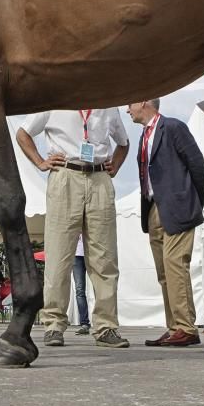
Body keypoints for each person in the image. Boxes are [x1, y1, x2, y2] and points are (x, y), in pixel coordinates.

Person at [16, 109, 131, 348]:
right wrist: (40, 162)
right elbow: (23, 133)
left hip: (99, 176)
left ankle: (106, 326)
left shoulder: (107, 104)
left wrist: (115, 166)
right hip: (65, 174)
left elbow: (124, 142)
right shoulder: (55, 100)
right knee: (58, 256)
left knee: (105, 258)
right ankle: (54, 325)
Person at [128, 98, 204, 347]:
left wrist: (192, 202)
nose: (126, 109)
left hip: (177, 206)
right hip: (153, 207)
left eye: (129, 104)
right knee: (165, 272)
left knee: (175, 265)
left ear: (143, 102)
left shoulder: (173, 127)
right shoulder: (144, 136)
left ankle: (186, 327)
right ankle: (175, 326)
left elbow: (198, 167)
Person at [71, 236, 91, 334]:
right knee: (79, 290)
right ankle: (84, 323)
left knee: (100, 287)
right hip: (76, 255)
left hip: (92, 253)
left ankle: (103, 322)